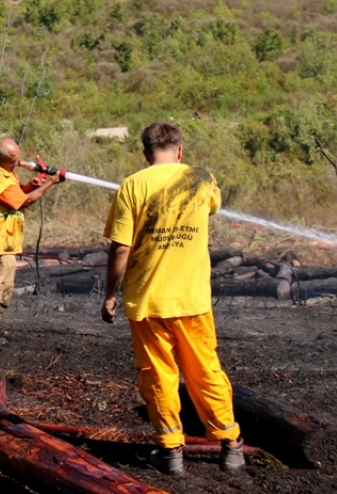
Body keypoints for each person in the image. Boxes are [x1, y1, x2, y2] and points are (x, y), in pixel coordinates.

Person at [101, 122, 243, 477]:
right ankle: (231, 446)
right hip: (192, 300)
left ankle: (171, 453)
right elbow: (211, 208)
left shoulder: (132, 185)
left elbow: (120, 247)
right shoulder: (201, 179)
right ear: (179, 150)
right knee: (206, 371)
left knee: (158, 376)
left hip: (147, 302)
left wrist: (109, 296)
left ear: (145, 154)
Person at [0, 138, 61, 345]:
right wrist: (51, 182)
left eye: (18, 160)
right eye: (13, 161)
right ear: (2, 159)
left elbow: (17, 194)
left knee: (6, 287)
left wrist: (29, 185)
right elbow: (24, 201)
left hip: (4, 241)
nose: (17, 164)